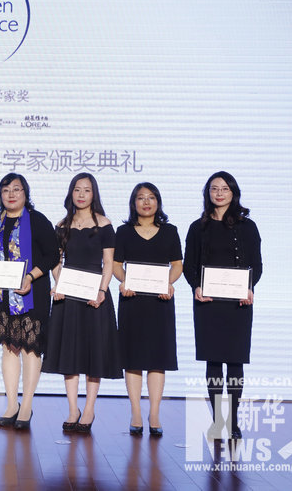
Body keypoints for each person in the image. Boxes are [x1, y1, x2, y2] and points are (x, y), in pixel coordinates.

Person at [184, 171, 262, 440]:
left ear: (233, 192)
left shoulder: (247, 227)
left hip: (238, 303)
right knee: (214, 361)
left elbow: (257, 264)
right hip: (208, 303)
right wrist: (196, 286)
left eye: (224, 188)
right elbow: (189, 265)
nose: (219, 193)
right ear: (207, 193)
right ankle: (218, 420)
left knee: (236, 361)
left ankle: (234, 421)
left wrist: (249, 287)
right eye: (214, 188)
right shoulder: (198, 227)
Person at [42, 173, 122, 433]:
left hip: (94, 296)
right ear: (71, 193)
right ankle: (72, 409)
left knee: (93, 352)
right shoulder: (61, 225)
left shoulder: (105, 225)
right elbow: (55, 261)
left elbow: (108, 263)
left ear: (93, 194)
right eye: (77, 189)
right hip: (68, 296)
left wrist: (102, 290)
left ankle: (89, 409)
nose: (81, 194)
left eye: (87, 190)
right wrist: (59, 283)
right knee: (69, 352)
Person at [0, 173, 58, 430]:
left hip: (31, 293)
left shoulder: (38, 220)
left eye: (16, 189)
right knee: (9, 347)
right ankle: (11, 404)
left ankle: (26, 405)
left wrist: (30, 276)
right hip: (1, 296)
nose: (11, 194)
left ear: (26, 193)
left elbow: (51, 256)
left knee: (30, 348)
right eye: (6, 190)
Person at [112, 182, 182, 437]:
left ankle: (154, 413)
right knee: (132, 359)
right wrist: (124, 281)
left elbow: (177, 265)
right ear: (134, 203)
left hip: (160, 302)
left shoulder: (170, 231)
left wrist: (168, 283)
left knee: (157, 359)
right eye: (141, 198)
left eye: (151, 197)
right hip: (132, 301)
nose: (146, 202)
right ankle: (136, 412)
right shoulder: (123, 231)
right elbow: (116, 265)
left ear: (158, 202)